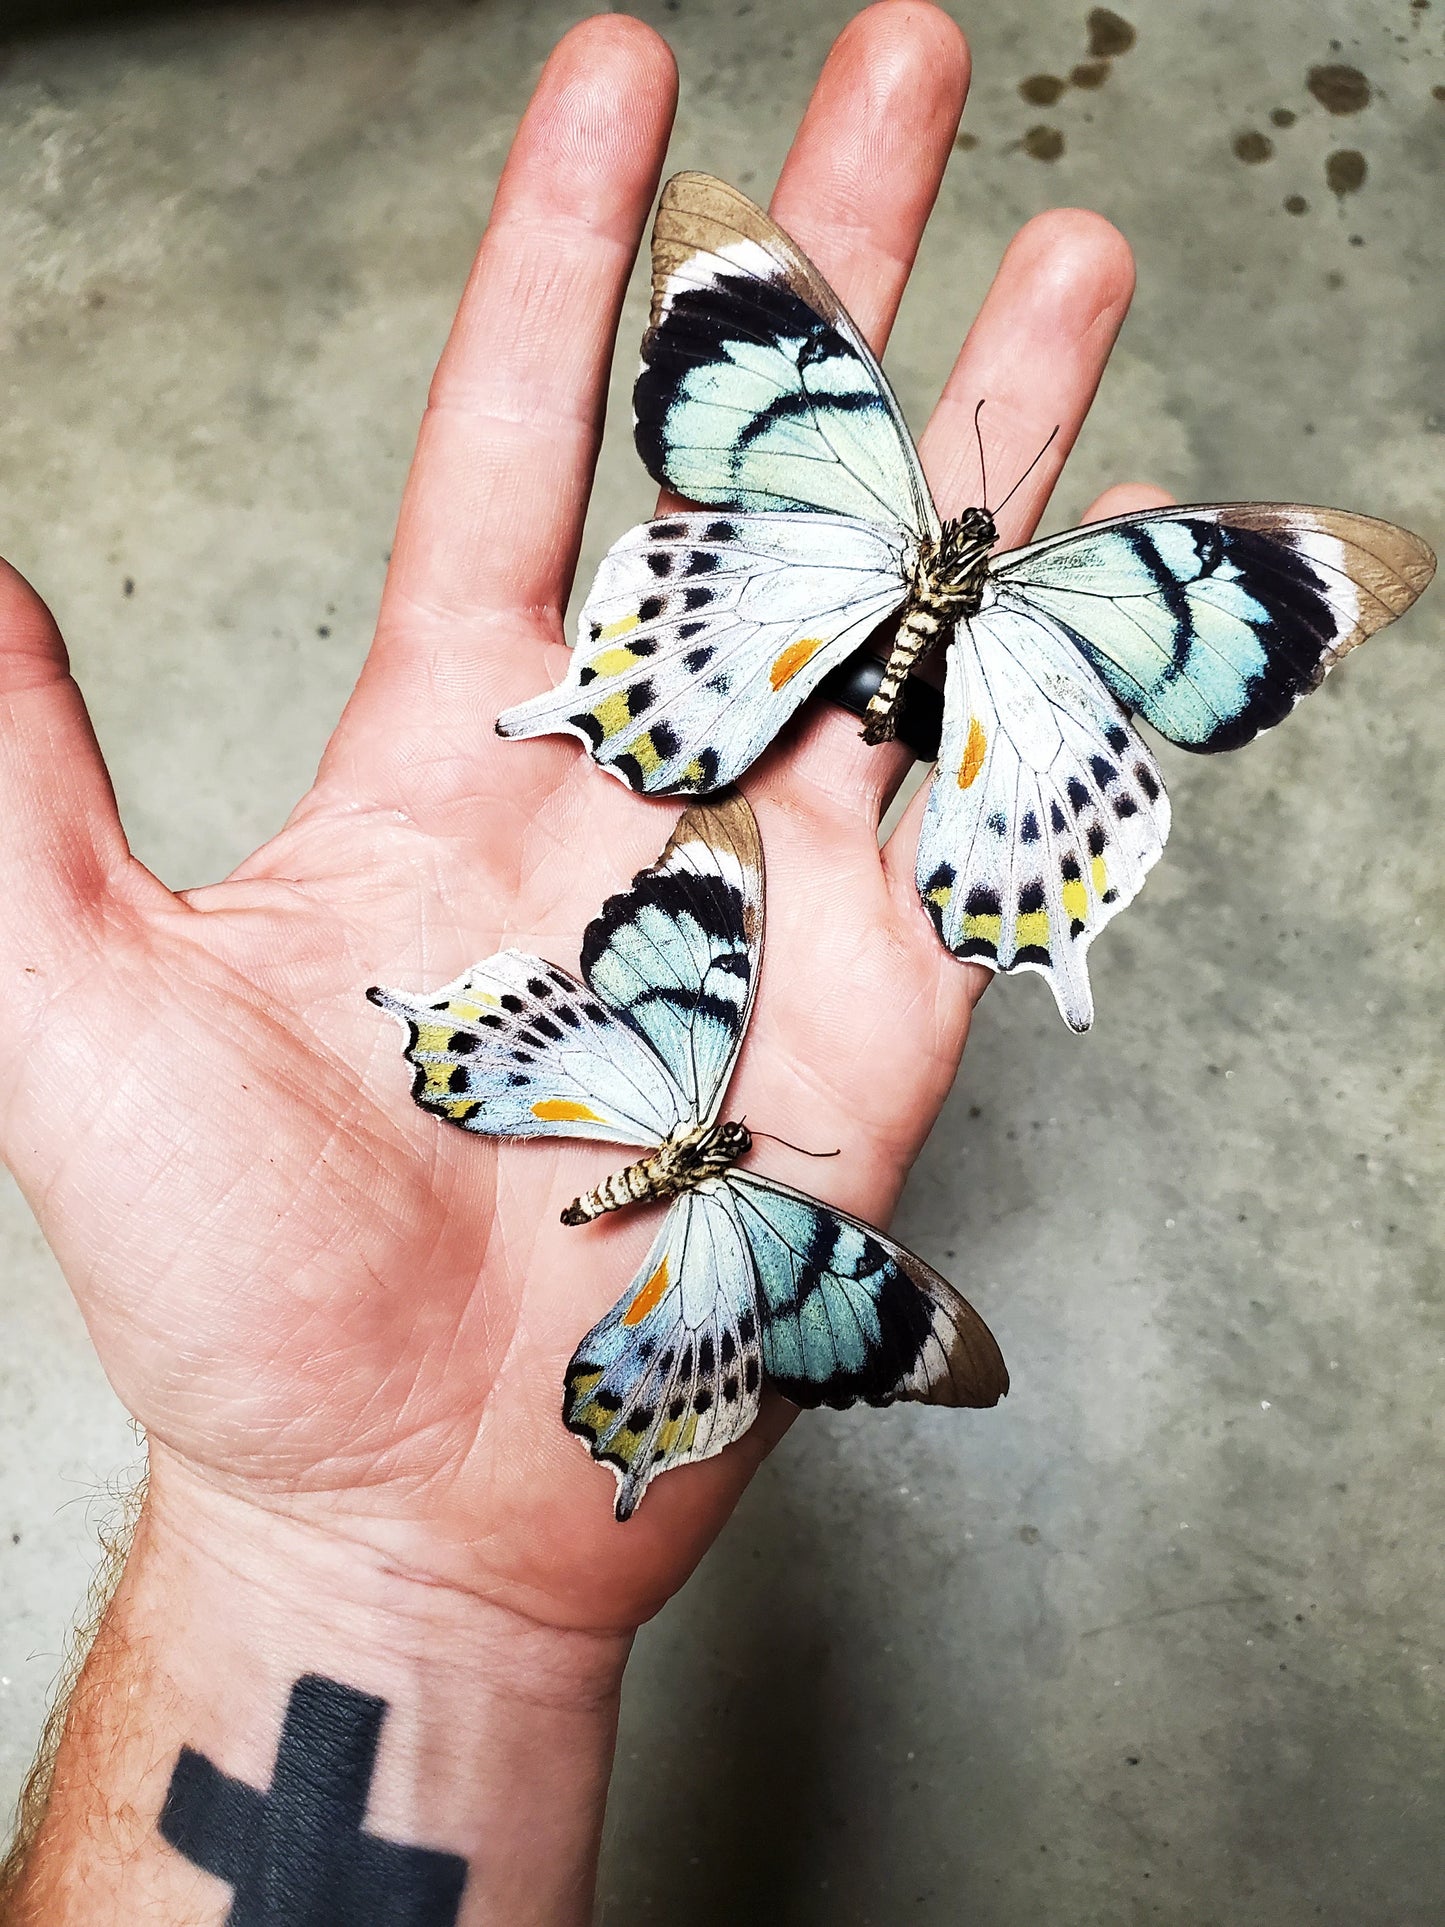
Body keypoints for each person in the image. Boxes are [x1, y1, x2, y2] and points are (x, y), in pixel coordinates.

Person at [0, 4, 1163, 1918]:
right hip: (640, 1138)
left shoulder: (687, 1079)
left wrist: (359, 1564)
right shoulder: (744, 1153)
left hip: (614, 1061)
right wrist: (367, 1558)